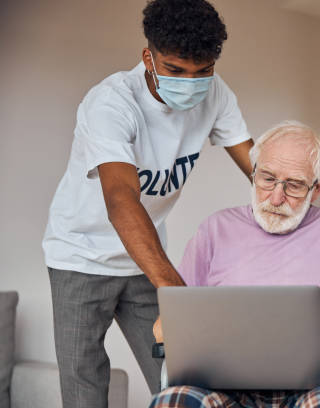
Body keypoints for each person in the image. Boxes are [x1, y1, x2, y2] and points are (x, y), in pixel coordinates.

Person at [42, 1, 254, 407]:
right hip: (79, 257)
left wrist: (293, 183)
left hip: (144, 256)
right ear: (149, 57)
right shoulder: (111, 103)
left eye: (202, 71)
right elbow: (121, 199)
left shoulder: (217, 94)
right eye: (175, 70)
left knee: (185, 378)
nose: (190, 82)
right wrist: (178, 293)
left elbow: (257, 166)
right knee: (85, 387)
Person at [150, 121, 320, 408]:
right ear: (253, 174)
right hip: (223, 387)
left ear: (318, 187)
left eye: (295, 185)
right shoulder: (215, 229)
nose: (276, 197)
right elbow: (163, 330)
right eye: (267, 179)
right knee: (172, 402)